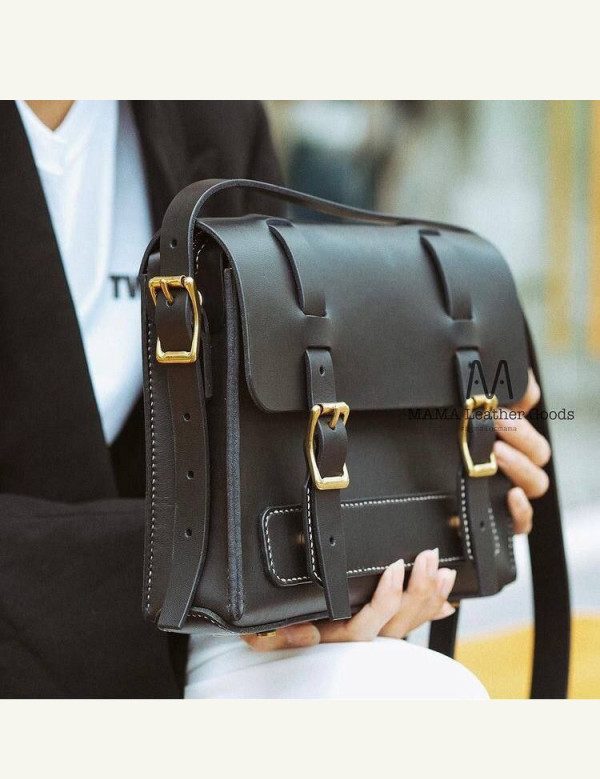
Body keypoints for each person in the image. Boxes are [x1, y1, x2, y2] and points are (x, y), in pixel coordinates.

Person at [0, 100, 551, 698]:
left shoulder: (212, 109)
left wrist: (424, 478)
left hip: (213, 612)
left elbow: (281, 403)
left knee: (427, 696)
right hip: (112, 619)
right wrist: (236, 561)